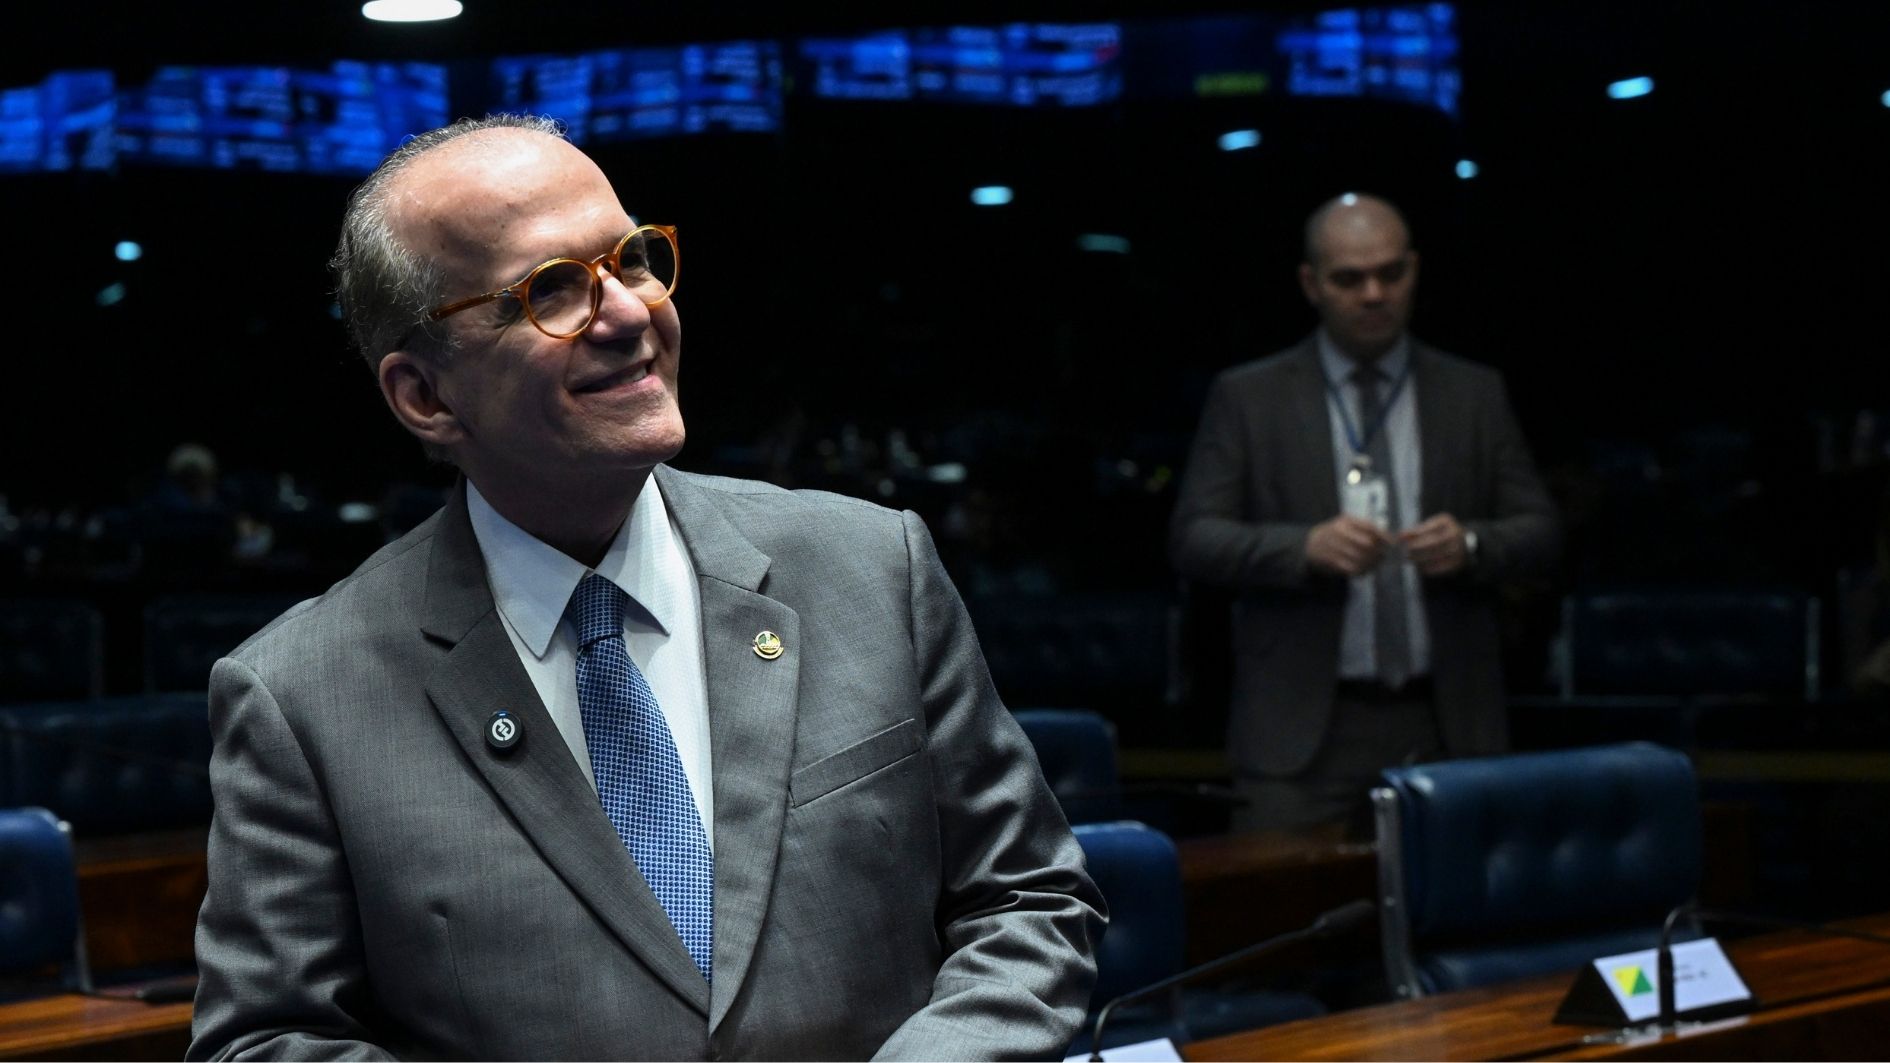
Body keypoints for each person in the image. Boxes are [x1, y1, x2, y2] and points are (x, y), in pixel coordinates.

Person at [188, 115, 1103, 1061]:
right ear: (425, 395)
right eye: (551, 290)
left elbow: (1028, 897)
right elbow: (266, 1041)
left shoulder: (870, 567)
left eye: (631, 259)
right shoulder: (301, 696)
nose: (629, 313)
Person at [1169, 192, 1560, 839]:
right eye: (1350, 279)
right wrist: (1303, 549)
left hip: (1447, 719)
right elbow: (1193, 537)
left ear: (1414, 269)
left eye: (1390, 273)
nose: (1374, 294)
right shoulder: (1250, 396)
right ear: (1311, 284)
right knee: (1282, 900)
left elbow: (1541, 531)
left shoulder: (1473, 392)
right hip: (1300, 729)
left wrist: (1471, 544)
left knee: (1458, 899)